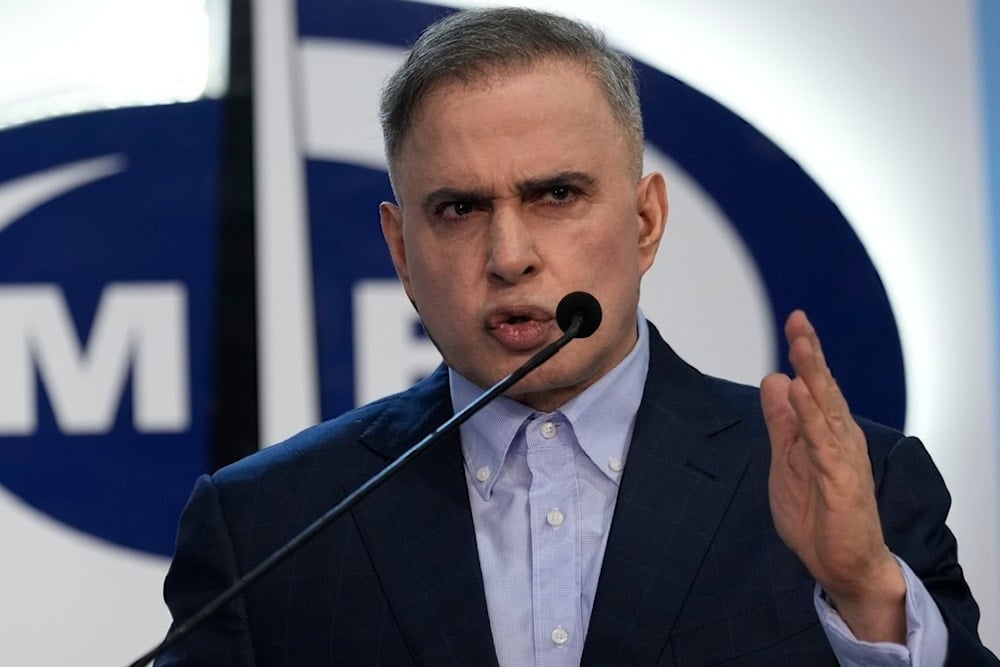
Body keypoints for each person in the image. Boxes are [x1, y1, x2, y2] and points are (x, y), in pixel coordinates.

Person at [155, 7, 998, 666]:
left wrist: (867, 594)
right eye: (459, 208)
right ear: (402, 251)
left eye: (555, 195)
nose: (509, 256)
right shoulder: (268, 525)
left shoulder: (856, 491)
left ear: (645, 221)